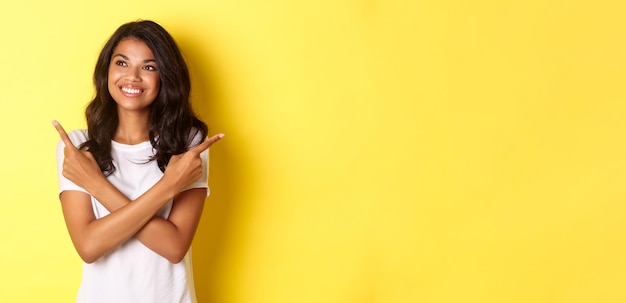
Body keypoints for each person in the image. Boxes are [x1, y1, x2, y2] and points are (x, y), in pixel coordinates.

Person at [52, 20, 223, 303]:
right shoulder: (78, 147)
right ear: (106, 71)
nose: (132, 76)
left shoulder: (188, 143)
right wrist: (168, 187)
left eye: (148, 67)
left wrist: (95, 184)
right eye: (121, 63)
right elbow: (89, 246)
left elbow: (174, 245)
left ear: (165, 76)